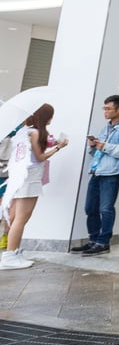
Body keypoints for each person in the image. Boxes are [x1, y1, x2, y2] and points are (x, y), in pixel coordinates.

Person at [0, 105, 65, 270]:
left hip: (20, 177)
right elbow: (40, 157)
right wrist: (58, 147)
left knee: (16, 218)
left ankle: (12, 252)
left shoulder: (24, 132)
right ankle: (10, 256)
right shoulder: (35, 133)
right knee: (21, 219)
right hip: (31, 178)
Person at [73, 95, 119, 257]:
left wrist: (106, 146)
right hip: (97, 170)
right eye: (104, 108)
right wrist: (94, 146)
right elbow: (101, 150)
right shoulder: (107, 127)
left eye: (108, 108)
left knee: (106, 208)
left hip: (112, 172)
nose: (105, 112)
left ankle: (103, 242)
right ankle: (94, 239)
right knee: (90, 208)